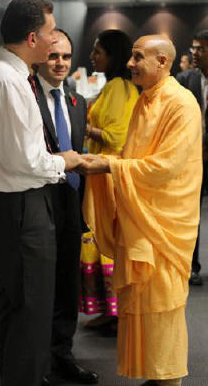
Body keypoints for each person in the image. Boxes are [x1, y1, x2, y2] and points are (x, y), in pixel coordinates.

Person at [77, 35, 202, 386]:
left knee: (162, 302)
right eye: (130, 57)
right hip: (143, 216)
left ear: (162, 61)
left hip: (165, 221)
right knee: (143, 300)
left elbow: (166, 167)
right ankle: (156, 373)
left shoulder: (181, 104)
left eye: (137, 57)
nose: (129, 64)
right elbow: (135, 157)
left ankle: (169, 379)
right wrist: (104, 160)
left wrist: (108, 168)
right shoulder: (147, 100)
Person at [0, 0, 83, 386]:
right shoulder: (7, 80)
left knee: (20, 304)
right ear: (33, 37)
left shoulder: (5, 75)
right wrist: (66, 161)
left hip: (14, 204)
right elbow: (25, 159)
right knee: (32, 309)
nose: (56, 40)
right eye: (52, 32)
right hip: (20, 206)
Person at [33, 29, 98, 385]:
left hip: (71, 203)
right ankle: (37, 360)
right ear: (41, 55)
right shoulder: (26, 97)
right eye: (54, 55)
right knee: (39, 286)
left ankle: (63, 354)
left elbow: (77, 154)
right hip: (37, 202)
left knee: (67, 284)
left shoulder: (77, 102)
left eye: (67, 57)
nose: (60, 63)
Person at [79, 29, 139, 334]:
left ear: (112, 56)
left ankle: (116, 312)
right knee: (104, 240)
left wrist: (85, 128)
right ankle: (111, 311)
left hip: (110, 177)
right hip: (107, 175)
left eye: (97, 52)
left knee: (107, 240)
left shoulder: (118, 87)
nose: (92, 57)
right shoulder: (117, 86)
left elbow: (116, 136)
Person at [176, 29, 208, 285]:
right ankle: (191, 266)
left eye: (201, 49)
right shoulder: (185, 80)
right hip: (193, 159)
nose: (195, 53)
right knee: (191, 214)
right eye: (194, 48)